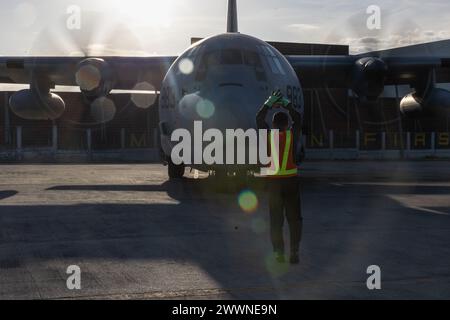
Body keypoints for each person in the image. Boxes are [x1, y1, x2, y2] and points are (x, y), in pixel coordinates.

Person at [256, 90, 303, 264]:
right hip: (291, 182)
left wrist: (269, 103)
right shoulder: (292, 136)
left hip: (274, 183)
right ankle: (295, 251)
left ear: (274, 124)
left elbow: (259, 119)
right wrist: (286, 103)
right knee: (295, 219)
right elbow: (297, 118)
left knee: (276, 220)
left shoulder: (268, 136)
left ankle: (278, 253)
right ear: (287, 124)